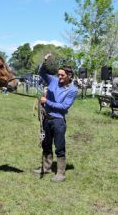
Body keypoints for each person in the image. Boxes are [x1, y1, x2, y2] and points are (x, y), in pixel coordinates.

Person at [33, 54, 78, 182]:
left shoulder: (73, 90)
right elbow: (41, 72)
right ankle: (46, 167)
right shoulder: (53, 81)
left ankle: (60, 173)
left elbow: (64, 107)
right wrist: (44, 61)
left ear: (69, 76)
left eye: (62, 75)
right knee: (46, 144)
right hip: (47, 119)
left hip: (58, 121)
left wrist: (46, 101)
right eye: (58, 74)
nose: (59, 77)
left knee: (59, 146)